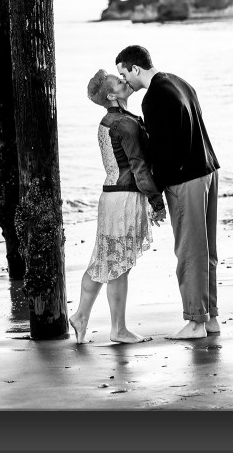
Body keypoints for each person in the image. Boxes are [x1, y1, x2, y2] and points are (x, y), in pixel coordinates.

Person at [115, 45, 220, 340]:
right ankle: (210, 319)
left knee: (189, 251)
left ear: (136, 68)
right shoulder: (179, 81)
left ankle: (196, 323)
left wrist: (155, 195)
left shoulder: (153, 98)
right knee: (207, 249)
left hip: (186, 179)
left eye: (124, 74)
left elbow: (162, 153)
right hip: (209, 171)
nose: (125, 82)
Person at [68, 69, 167, 344]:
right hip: (124, 198)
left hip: (110, 195)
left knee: (104, 260)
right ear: (112, 95)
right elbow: (139, 167)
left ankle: (80, 317)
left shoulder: (109, 121)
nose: (125, 81)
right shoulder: (124, 123)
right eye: (119, 82)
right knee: (118, 265)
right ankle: (118, 329)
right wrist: (156, 201)